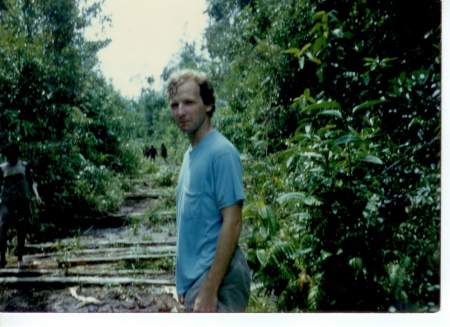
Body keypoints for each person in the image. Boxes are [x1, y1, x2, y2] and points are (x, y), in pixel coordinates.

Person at [167, 69, 251, 312]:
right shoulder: (189, 155)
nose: (181, 112)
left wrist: (209, 290)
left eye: (189, 103)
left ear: (209, 105)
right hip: (197, 281)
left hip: (217, 280)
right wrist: (185, 282)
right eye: (175, 104)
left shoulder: (221, 153)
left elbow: (233, 223)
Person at [0, 142, 42, 269]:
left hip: (21, 201)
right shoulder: (2, 168)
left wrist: (37, 195)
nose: (12, 154)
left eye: (14, 151)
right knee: (2, 228)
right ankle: (2, 257)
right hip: (6, 201)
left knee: (21, 229)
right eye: (9, 152)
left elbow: (31, 182)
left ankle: (20, 258)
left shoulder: (24, 166)